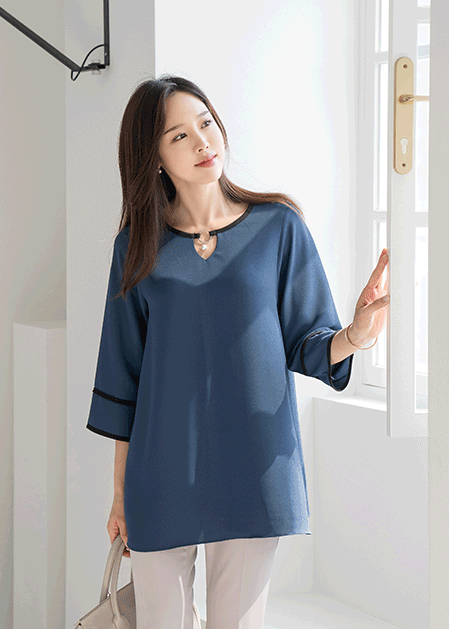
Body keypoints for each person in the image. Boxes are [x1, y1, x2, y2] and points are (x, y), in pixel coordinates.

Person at [86, 74, 389, 629]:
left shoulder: (278, 227)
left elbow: (308, 344)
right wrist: (119, 495)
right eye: (179, 136)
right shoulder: (136, 247)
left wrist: (359, 334)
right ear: (154, 158)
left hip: (253, 466)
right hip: (160, 472)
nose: (203, 141)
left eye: (205, 123)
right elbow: (122, 377)